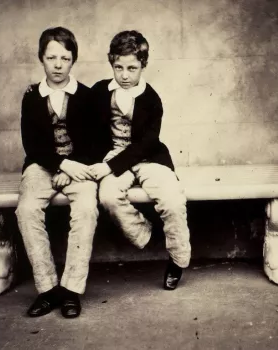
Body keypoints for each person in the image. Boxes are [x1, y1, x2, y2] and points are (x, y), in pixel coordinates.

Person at [89, 30, 191, 290]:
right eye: (118, 67)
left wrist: (110, 167)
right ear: (111, 62)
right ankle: (145, 234)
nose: (124, 75)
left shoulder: (152, 99)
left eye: (132, 68)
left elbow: (147, 143)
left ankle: (178, 260)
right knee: (108, 197)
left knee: (172, 199)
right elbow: (76, 100)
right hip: (112, 155)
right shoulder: (100, 91)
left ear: (143, 65)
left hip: (148, 157)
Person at [15, 26, 103, 318]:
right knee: (26, 210)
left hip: (79, 166)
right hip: (43, 166)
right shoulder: (31, 97)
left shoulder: (87, 96)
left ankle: (71, 290)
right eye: (51, 57)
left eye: (64, 58)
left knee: (88, 208)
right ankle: (48, 289)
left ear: (73, 61)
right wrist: (60, 165)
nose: (57, 65)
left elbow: (95, 142)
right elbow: (32, 144)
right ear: (41, 58)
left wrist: (72, 166)